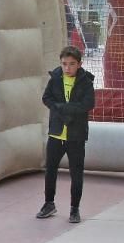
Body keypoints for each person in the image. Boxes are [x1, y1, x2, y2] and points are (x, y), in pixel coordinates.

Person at [36, 45, 96, 224]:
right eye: (64, 64)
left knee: (76, 172)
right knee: (50, 170)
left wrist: (65, 108)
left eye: (71, 64)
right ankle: (49, 203)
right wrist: (60, 109)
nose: (67, 68)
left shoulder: (86, 81)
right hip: (56, 134)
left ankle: (74, 208)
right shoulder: (55, 79)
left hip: (76, 136)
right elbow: (47, 98)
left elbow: (88, 104)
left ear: (79, 64)